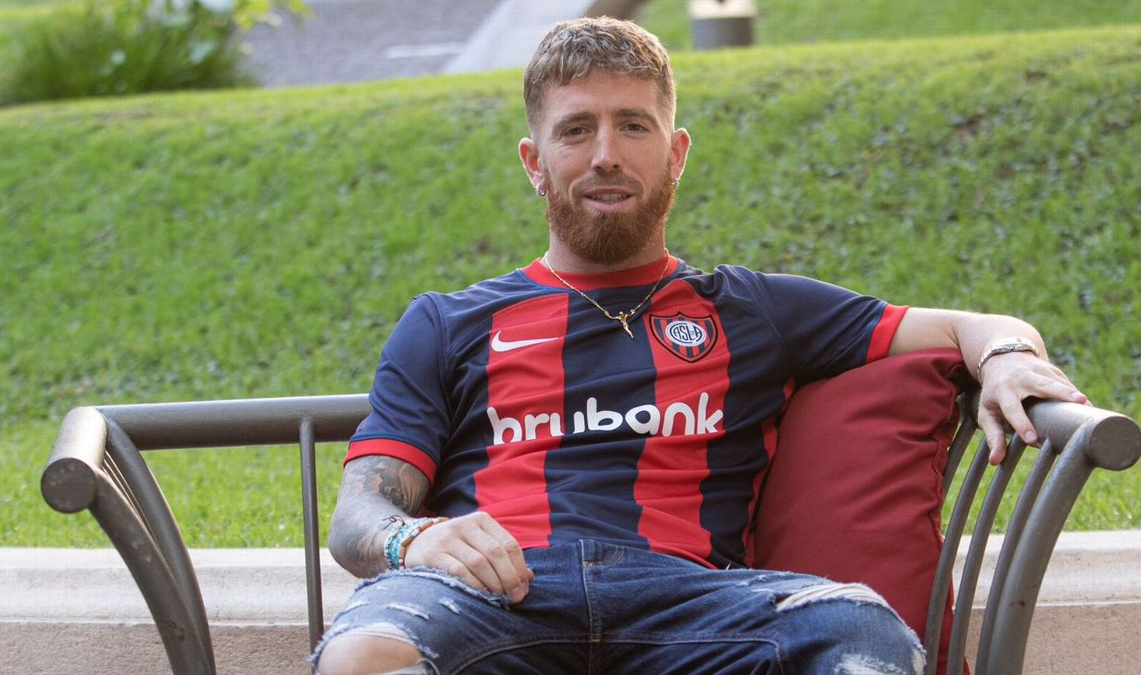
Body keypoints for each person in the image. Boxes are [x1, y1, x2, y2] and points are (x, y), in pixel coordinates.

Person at [312, 16, 1088, 675]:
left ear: (676, 153)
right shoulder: (448, 323)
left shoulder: (753, 309)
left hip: (693, 605)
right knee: (365, 651)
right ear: (534, 162)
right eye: (576, 129)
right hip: (491, 597)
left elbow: (970, 325)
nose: (606, 154)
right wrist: (416, 537)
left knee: (861, 626)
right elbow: (357, 515)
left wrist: (1008, 357)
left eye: (633, 126)